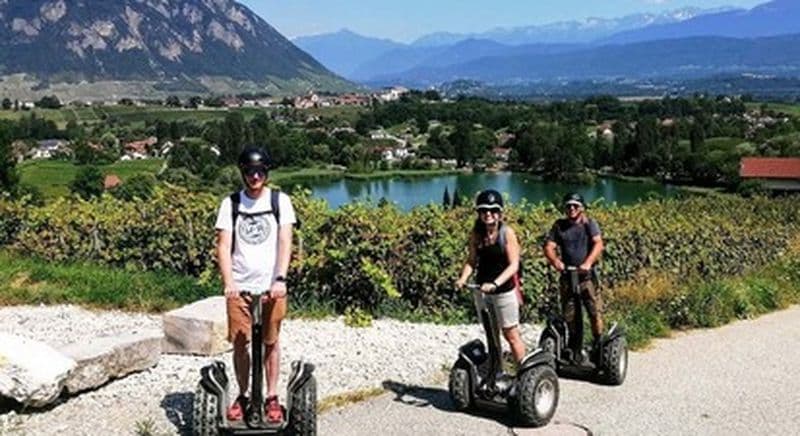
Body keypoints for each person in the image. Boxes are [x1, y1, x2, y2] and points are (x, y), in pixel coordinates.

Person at [214, 146, 297, 423]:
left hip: (272, 286)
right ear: (243, 173)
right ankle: (244, 394)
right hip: (240, 286)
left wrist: (280, 278)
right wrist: (229, 282)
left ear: (266, 173)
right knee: (240, 343)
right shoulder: (231, 204)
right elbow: (223, 246)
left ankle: (272, 396)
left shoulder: (280, 201)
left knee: (271, 342)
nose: (255, 176)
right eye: (250, 171)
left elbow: (285, 241)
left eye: (260, 171)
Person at [455, 189, 526, 363]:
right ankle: (496, 369)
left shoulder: (507, 233)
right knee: (491, 333)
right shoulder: (476, 234)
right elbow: (471, 261)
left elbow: (514, 265)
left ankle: (523, 370)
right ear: (479, 213)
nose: (488, 214)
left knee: (510, 334)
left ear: (499, 213)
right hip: (482, 290)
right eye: (484, 210)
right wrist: (463, 278)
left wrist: (495, 283)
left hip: (504, 291)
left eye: (493, 210)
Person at [543, 193, 605, 354]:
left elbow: (598, 243)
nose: (571, 208)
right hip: (568, 276)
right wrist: (556, 262)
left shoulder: (589, 224)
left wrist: (588, 263)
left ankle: (598, 342)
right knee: (569, 314)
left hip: (587, 277)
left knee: (594, 312)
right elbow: (549, 246)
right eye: (568, 205)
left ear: (582, 208)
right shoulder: (559, 225)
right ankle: (574, 345)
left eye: (575, 205)